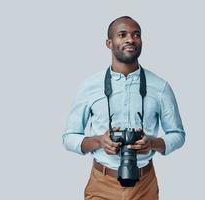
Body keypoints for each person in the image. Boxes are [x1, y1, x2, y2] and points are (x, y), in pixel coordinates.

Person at [62, 16, 186, 200]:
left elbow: (178, 134)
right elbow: (69, 137)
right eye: (122, 34)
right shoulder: (89, 86)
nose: (130, 39)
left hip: (144, 184)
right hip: (101, 182)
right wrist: (99, 141)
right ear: (109, 43)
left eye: (136, 34)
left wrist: (152, 143)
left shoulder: (160, 87)